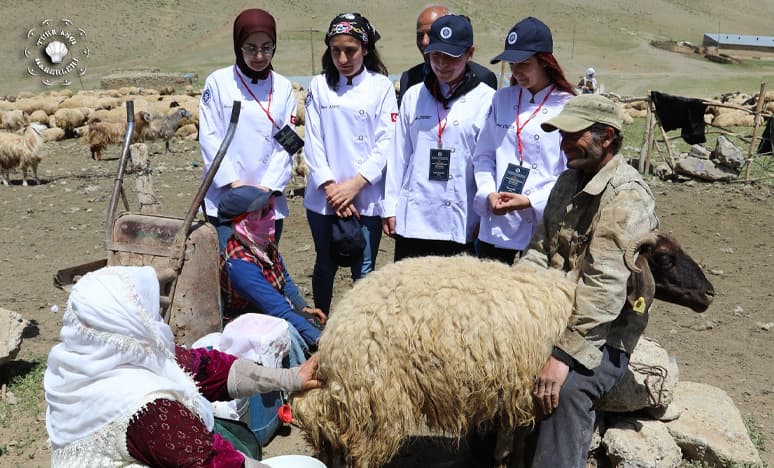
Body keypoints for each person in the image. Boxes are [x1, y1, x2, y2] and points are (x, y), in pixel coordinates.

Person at [44, 265, 323, 467]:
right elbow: (213, 463)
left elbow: (206, 369)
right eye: (146, 309)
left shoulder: (80, 363)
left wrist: (290, 377)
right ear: (131, 320)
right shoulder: (148, 408)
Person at [519, 94, 659, 466]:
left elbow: (604, 290)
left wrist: (563, 355)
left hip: (604, 333)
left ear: (607, 137)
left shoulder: (627, 197)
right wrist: (510, 305)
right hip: (552, 316)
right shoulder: (568, 181)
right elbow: (538, 251)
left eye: (572, 136)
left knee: (565, 392)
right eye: (561, 136)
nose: (563, 145)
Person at [303, 13, 397, 315]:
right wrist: (332, 188)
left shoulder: (381, 87)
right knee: (325, 263)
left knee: (364, 266)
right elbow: (313, 140)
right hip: (324, 198)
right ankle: (318, 327)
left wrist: (355, 184)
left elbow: (386, 141)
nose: (343, 58)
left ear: (366, 49)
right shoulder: (319, 86)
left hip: (366, 196)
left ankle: (362, 330)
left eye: (351, 50)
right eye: (336, 51)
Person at [383, 15, 495, 260]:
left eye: (451, 57)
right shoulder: (414, 96)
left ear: (470, 53)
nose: (442, 64)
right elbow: (399, 155)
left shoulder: (487, 100)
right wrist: (390, 207)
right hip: (414, 219)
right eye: (436, 56)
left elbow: (487, 161)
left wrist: (482, 214)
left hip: (459, 217)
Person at [473, 17, 577, 265]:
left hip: (543, 220)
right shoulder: (502, 100)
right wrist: (488, 192)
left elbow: (570, 171)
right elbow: (484, 155)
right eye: (512, 64)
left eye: (524, 64)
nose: (516, 71)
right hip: (499, 222)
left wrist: (531, 200)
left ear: (545, 62)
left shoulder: (568, 105)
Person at [200, 8, 300, 251]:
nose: (259, 56)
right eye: (250, 48)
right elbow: (209, 136)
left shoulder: (284, 88)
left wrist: (266, 189)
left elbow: (286, 145)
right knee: (231, 269)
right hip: (225, 199)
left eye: (267, 47)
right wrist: (234, 185)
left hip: (268, 201)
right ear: (238, 46)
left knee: (265, 267)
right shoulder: (218, 82)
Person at [219, 185, 326, 356]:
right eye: (262, 213)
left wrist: (301, 306)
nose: (270, 216)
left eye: (270, 209)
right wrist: (322, 341)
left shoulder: (262, 242)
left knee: (311, 323)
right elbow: (277, 310)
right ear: (243, 221)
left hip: (273, 310)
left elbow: (284, 278)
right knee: (295, 336)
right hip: (248, 322)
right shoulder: (239, 264)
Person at [397, 5, 498, 106]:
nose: (424, 42)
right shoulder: (409, 79)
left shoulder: (483, 79)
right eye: (420, 35)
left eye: (431, 33)